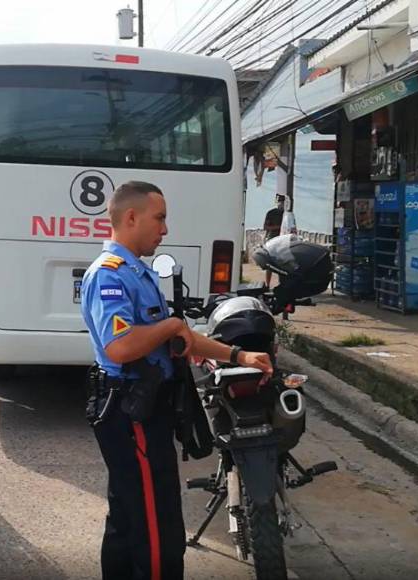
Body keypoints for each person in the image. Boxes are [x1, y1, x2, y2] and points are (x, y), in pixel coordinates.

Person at [81, 181, 274, 580]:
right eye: (160, 218)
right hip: (132, 412)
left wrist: (238, 355)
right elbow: (120, 346)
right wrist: (170, 324)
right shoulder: (110, 275)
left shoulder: (138, 271)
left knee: (129, 514)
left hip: (146, 408)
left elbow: (178, 335)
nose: (165, 229)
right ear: (131, 217)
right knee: (157, 526)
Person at [262, 195, 286, 287]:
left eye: (283, 202)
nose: (281, 204)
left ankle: (282, 284)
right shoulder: (271, 213)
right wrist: (278, 227)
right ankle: (268, 284)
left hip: (283, 240)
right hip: (272, 240)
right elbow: (265, 227)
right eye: (280, 202)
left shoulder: (286, 214)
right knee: (270, 264)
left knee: (283, 263)